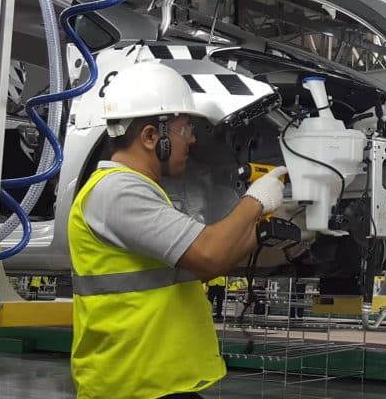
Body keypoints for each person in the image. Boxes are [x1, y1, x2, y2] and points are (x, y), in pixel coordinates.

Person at [69, 62, 288, 399]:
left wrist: (258, 231)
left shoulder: (140, 191)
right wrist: (255, 201)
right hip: (133, 385)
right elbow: (209, 253)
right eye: (185, 129)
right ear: (150, 136)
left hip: (158, 382)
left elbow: (206, 264)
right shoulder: (117, 192)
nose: (193, 140)